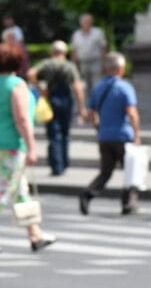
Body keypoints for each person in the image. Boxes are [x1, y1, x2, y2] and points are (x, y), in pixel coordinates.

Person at [0, 44, 57, 252]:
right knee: (4, 192)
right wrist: (32, 147)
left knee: (20, 191)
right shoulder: (16, 85)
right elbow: (22, 118)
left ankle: (35, 234)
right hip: (11, 147)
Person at [78, 52, 142, 216]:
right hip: (123, 136)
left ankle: (88, 193)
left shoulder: (98, 87)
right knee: (131, 171)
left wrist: (98, 127)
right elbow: (132, 113)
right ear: (121, 68)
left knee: (105, 172)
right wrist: (137, 134)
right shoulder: (125, 87)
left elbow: (91, 112)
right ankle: (128, 203)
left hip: (105, 136)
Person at [29, 41, 85, 176]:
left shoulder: (47, 64)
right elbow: (77, 88)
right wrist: (81, 107)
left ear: (52, 51)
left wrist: (40, 88)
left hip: (52, 98)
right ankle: (64, 163)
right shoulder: (69, 66)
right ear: (65, 52)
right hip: (66, 99)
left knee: (54, 133)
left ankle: (56, 166)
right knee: (65, 132)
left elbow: (31, 73)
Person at [70, 13, 107, 98]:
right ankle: (90, 102)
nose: (87, 23)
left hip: (96, 61)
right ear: (81, 23)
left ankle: (98, 101)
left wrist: (105, 62)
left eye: (89, 21)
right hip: (83, 62)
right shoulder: (76, 35)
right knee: (86, 85)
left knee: (97, 83)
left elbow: (104, 48)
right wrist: (73, 65)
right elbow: (74, 51)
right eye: (85, 22)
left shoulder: (98, 32)